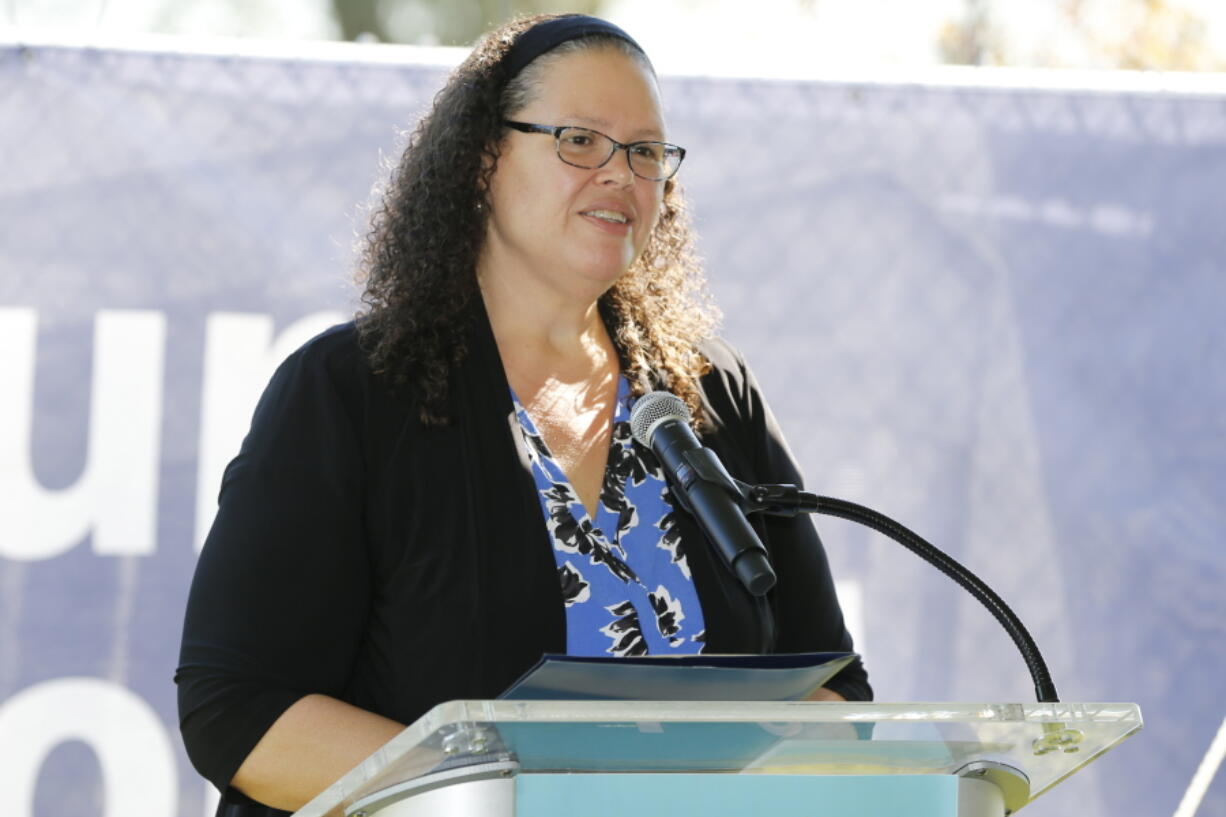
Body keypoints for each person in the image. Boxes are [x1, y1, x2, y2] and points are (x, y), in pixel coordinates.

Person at [176, 13, 871, 816]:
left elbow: (834, 686)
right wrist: (510, 800)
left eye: (646, 152)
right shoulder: (355, 390)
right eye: (580, 139)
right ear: (483, 161)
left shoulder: (709, 398)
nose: (621, 173)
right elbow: (240, 709)